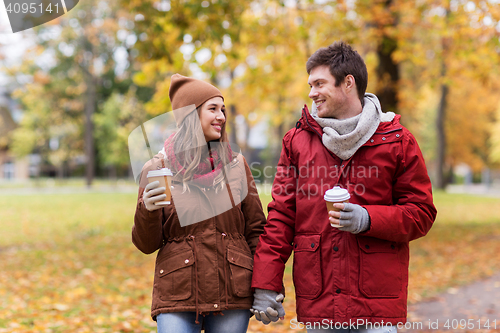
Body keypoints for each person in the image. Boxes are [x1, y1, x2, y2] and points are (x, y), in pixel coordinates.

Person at [250, 41, 437, 332]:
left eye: (319, 83)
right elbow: (282, 216)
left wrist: (368, 219)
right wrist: (265, 283)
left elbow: (421, 212)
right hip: (319, 297)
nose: (311, 93)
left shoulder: (398, 141)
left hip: (377, 303)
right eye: (310, 84)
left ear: (348, 83)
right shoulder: (296, 141)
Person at [132, 74, 266, 333]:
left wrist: (266, 287)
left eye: (223, 110)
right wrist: (147, 210)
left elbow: (257, 231)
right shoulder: (158, 169)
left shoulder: (237, 166)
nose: (222, 117)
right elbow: (146, 244)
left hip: (233, 290)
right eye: (213, 109)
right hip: (178, 292)